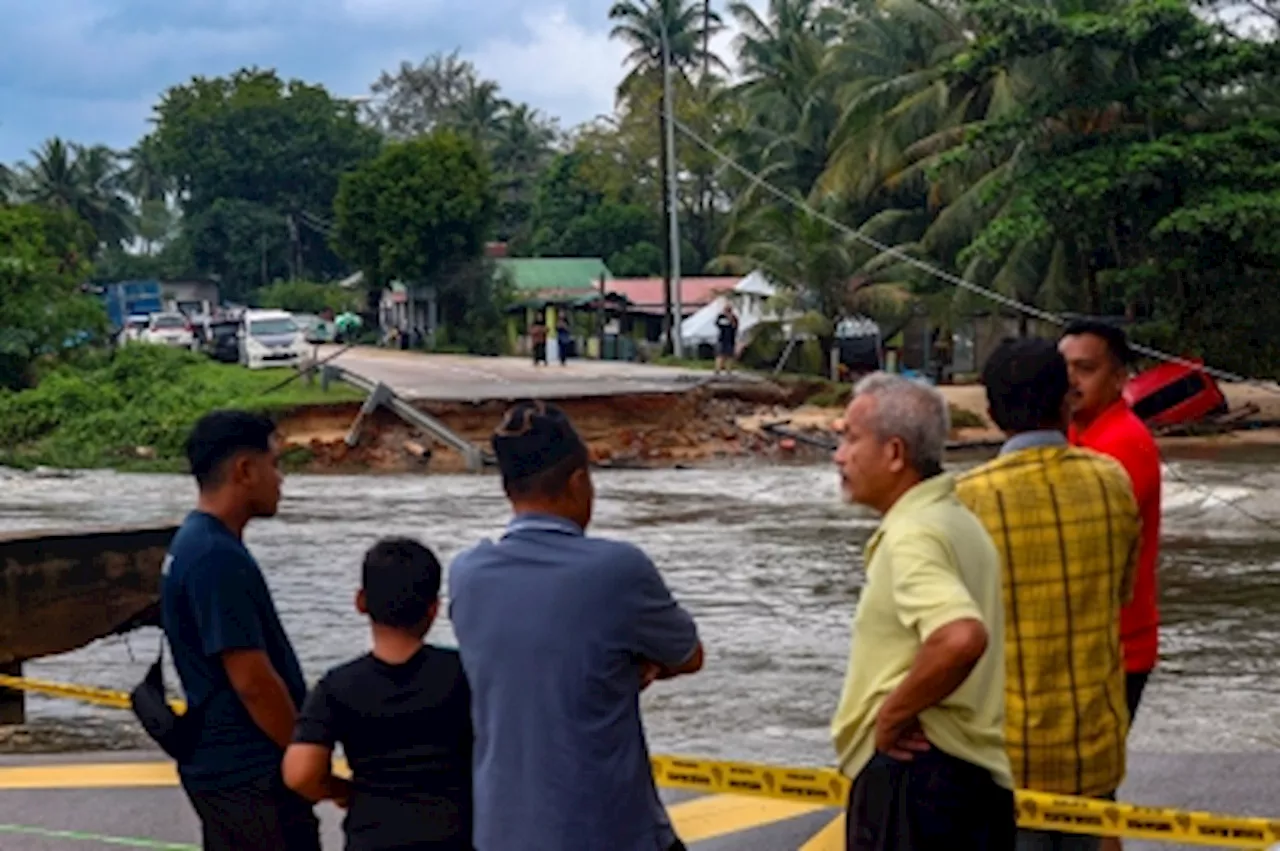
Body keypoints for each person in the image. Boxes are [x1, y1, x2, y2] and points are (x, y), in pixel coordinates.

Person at [449, 400, 704, 851]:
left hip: (500, 833)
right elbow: (689, 655)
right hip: (606, 832)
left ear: (508, 489)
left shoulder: (467, 575)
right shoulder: (618, 569)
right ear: (579, 481)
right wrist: (639, 668)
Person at [956, 338, 1141, 851]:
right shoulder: (1112, 482)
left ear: (992, 414)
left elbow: (953, 635)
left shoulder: (967, 500)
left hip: (1005, 759)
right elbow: (1121, 593)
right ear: (1067, 401)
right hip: (1093, 749)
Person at [831, 373, 1014, 850]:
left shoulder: (913, 534)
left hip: (916, 784)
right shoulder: (956, 520)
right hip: (972, 779)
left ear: (894, 453)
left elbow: (960, 636)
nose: (839, 456)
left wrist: (891, 716)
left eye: (850, 439)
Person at [161, 411, 318, 851]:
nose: (281, 480)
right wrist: (300, 752)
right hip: (249, 774)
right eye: (275, 464)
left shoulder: (197, 543)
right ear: (245, 471)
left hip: (226, 772)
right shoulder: (216, 557)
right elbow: (251, 680)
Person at [284, 538, 474, 851]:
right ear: (434, 608)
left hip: (373, 837)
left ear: (361, 602)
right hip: (455, 836)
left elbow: (300, 773)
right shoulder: (464, 673)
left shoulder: (337, 686)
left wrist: (343, 791)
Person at [1059, 321, 1162, 724]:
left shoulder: (1122, 443)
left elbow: (1084, 546)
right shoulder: (1073, 431)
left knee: (1088, 777)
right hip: (1092, 642)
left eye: (1085, 369)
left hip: (1116, 647)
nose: (1070, 380)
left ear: (1119, 378)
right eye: (1064, 368)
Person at [715, 303, 738, 374]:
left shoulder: (734, 317)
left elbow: (735, 326)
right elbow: (718, 324)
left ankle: (728, 370)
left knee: (729, 356)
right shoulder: (720, 317)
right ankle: (718, 369)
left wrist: (730, 318)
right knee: (720, 355)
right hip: (722, 338)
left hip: (730, 339)